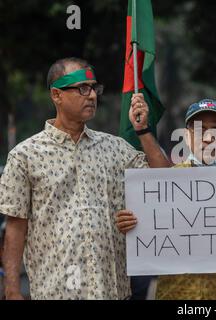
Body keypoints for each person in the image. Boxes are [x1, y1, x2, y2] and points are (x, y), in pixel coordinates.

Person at [0, 57, 171, 300]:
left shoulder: (116, 148)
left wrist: (143, 131)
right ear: (56, 95)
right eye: (82, 88)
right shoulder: (25, 156)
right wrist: (12, 290)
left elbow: (165, 181)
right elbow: (15, 228)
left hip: (112, 291)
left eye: (94, 88)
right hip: (55, 293)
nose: (92, 95)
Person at [116, 99, 216, 299]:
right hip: (174, 295)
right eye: (199, 129)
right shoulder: (163, 184)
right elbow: (144, 231)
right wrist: (128, 225)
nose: (208, 137)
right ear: (186, 136)